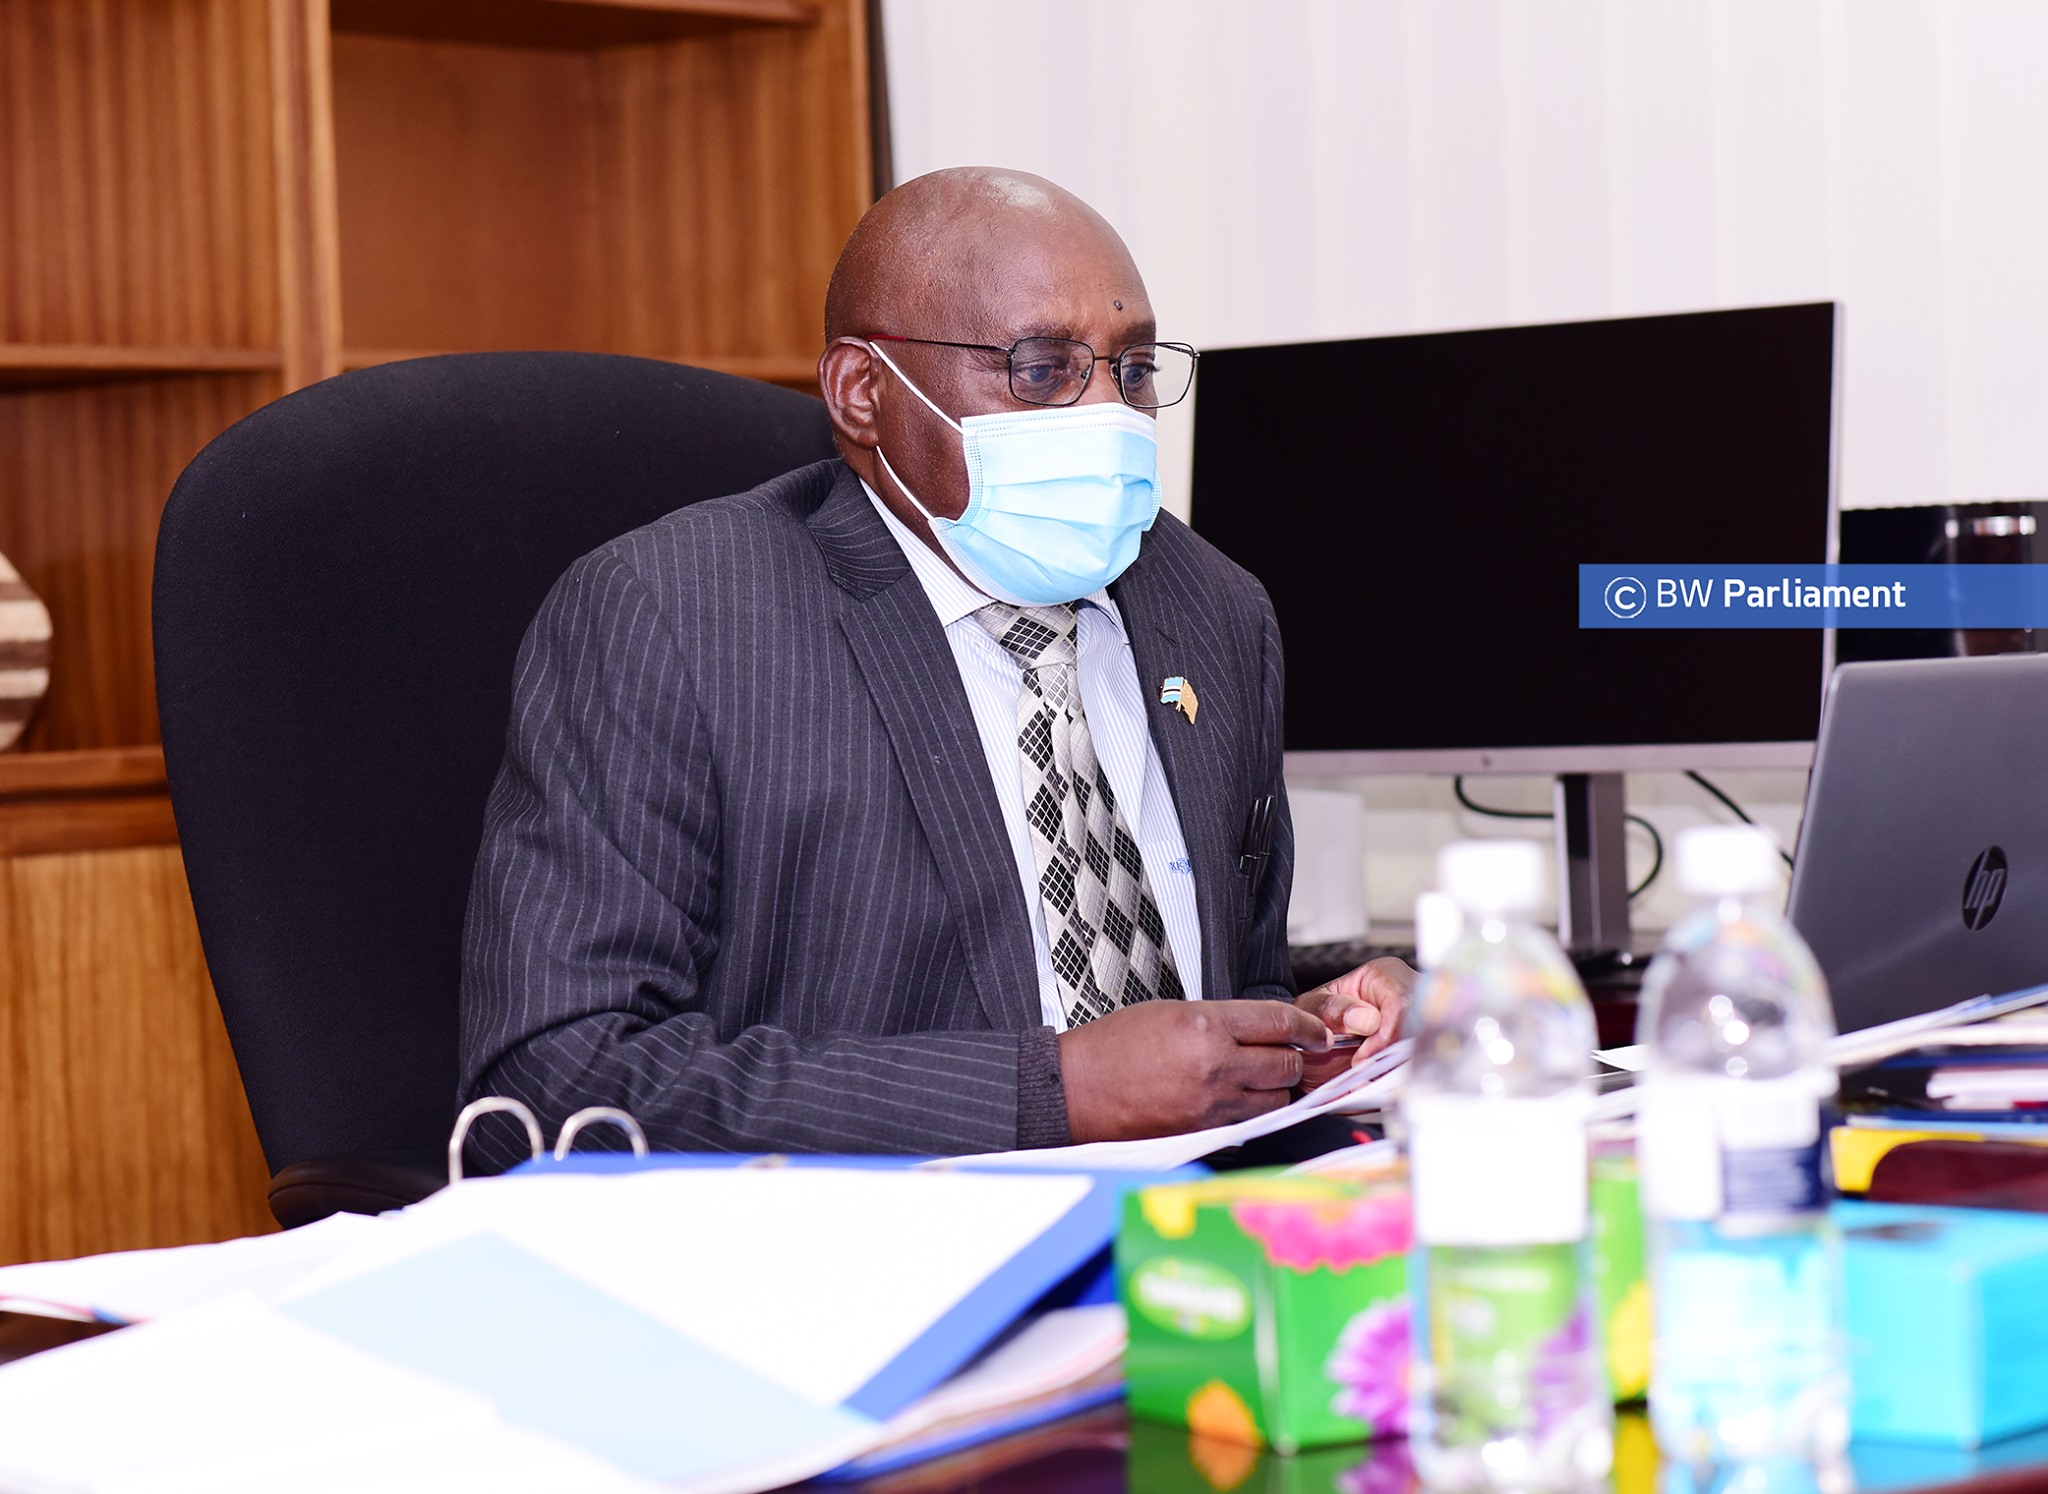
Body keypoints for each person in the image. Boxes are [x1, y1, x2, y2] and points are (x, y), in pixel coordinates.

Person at [458, 167, 1411, 1167]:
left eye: (1131, 370)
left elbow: (1230, 988)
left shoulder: (1211, 606)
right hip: (867, 1235)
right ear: (862, 393)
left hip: (1196, 1224)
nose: (1108, 413)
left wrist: (1307, 1038)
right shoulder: (671, 616)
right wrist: (1053, 1092)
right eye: (1041, 368)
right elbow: (554, 1080)